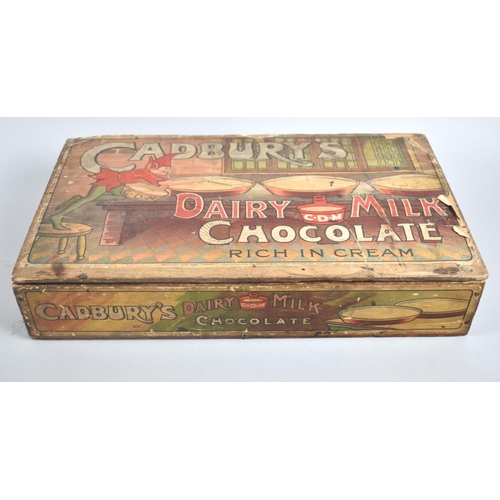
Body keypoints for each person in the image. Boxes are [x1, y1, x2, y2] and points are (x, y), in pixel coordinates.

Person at [50, 153, 182, 230]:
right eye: (164, 169)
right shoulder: (145, 173)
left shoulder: (145, 173)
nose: (165, 172)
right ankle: (57, 216)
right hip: (109, 181)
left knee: (121, 197)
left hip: (118, 186)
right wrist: (187, 182)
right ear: (154, 166)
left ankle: (78, 199)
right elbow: (165, 183)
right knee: (89, 199)